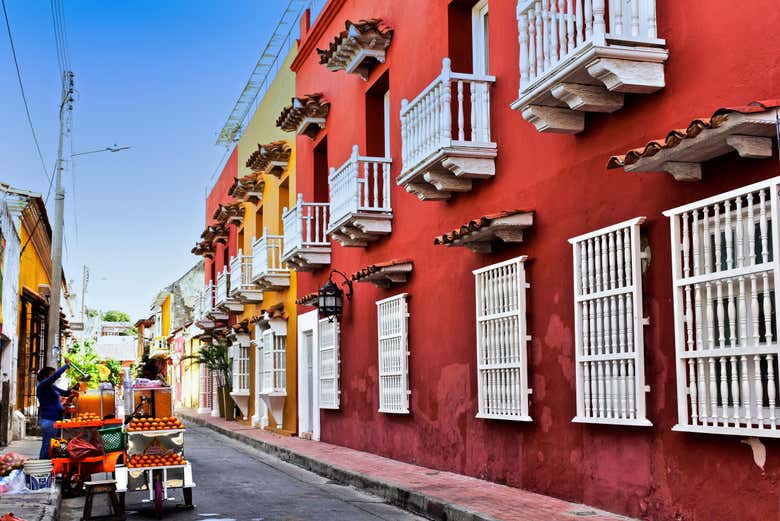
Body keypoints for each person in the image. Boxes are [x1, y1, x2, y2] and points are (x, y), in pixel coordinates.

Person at [36, 358, 76, 459]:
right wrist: (66, 365)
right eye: (51, 374)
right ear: (46, 376)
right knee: (47, 446)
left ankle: (56, 468)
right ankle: (42, 470)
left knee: (58, 445)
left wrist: (76, 387)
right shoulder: (43, 385)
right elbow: (55, 376)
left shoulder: (51, 387)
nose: (55, 378)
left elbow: (65, 393)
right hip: (49, 421)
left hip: (57, 421)